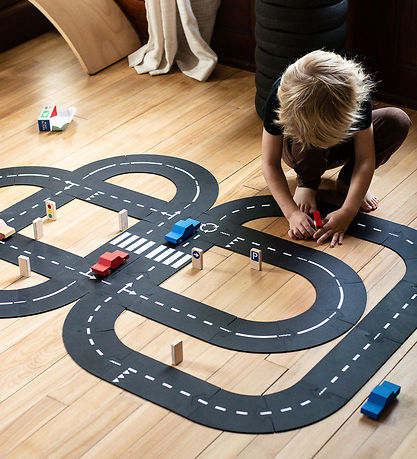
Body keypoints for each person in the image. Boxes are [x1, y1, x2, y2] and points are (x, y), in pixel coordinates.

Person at [262, 50, 411, 248]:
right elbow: (270, 163)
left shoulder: (354, 93)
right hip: (299, 149)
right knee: (311, 141)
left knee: (397, 120)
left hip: (341, 141)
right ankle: (308, 182)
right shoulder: (282, 93)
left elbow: (366, 159)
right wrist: (291, 212)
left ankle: (347, 182)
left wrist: (348, 211)